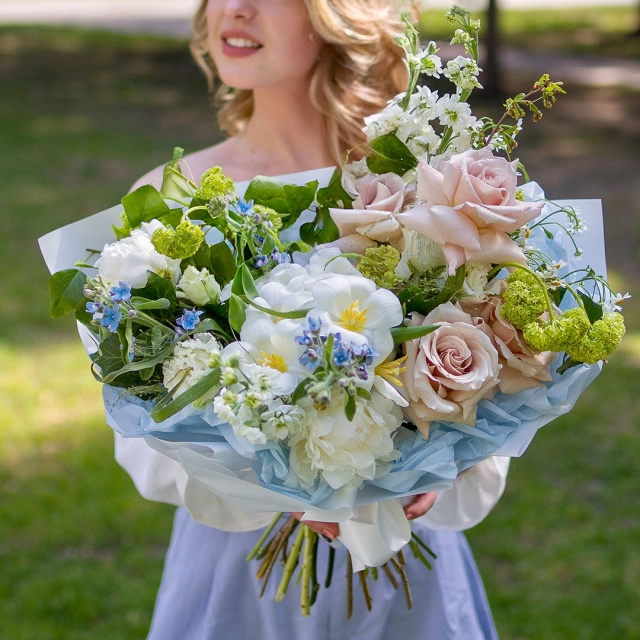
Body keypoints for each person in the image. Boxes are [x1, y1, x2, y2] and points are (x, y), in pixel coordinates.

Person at [115, 0, 509, 637]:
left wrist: (445, 467)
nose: (235, 10)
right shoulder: (172, 197)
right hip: (239, 568)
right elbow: (138, 423)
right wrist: (269, 486)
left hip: (404, 557)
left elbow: (497, 364)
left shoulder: (418, 184)